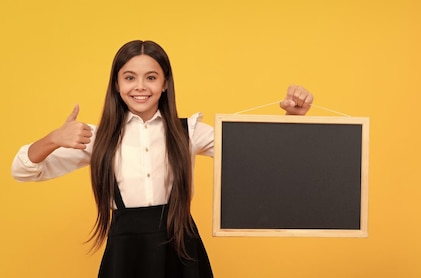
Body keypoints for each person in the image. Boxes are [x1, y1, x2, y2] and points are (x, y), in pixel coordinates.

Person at [11, 40, 314, 278]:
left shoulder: (190, 131)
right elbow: (22, 170)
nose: (140, 86)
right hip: (126, 254)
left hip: (180, 249)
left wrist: (292, 117)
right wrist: (53, 139)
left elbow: (260, 154)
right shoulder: (97, 137)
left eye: (151, 77)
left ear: (165, 83)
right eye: (129, 77)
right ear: (117, 85)